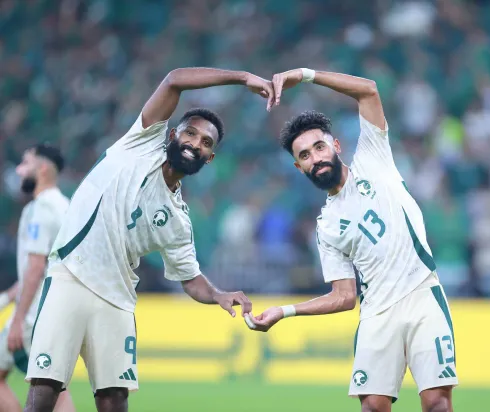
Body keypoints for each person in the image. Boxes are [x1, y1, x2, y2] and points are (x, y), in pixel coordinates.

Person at [23, 67, 274, 412]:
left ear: (210, 158)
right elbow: (174, 80)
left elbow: (190, 278)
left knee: (114, 398)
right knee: (45, 390)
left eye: (206, 143)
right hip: (71, 276)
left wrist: (218, 294)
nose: (195, 144)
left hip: (118, 298)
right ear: (172, 134)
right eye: (190, 133)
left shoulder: (178, 220)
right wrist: (242, 78)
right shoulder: (139, 143)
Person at [248, 68, 457, 412]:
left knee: (437, 404)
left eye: (319, 147)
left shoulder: (373, 159)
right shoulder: (326, 226)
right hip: (376, 313)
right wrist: (284, 312)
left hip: (422, 295)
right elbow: (344, 297)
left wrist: (306, 74)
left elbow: (368, 91)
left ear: (336, 145)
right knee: (373, 407)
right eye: (304, 155)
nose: (315, 158)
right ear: (299, 168)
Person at [0, 145, 74, 412]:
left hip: (36, 314)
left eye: (25, 163)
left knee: (49, 385)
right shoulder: (65, 206)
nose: (19, 170)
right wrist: (8, 296)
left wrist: (18, 319)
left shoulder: (40, 209)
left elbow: (35, 267)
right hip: (58, 308)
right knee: (52, 385)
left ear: (42, 169)